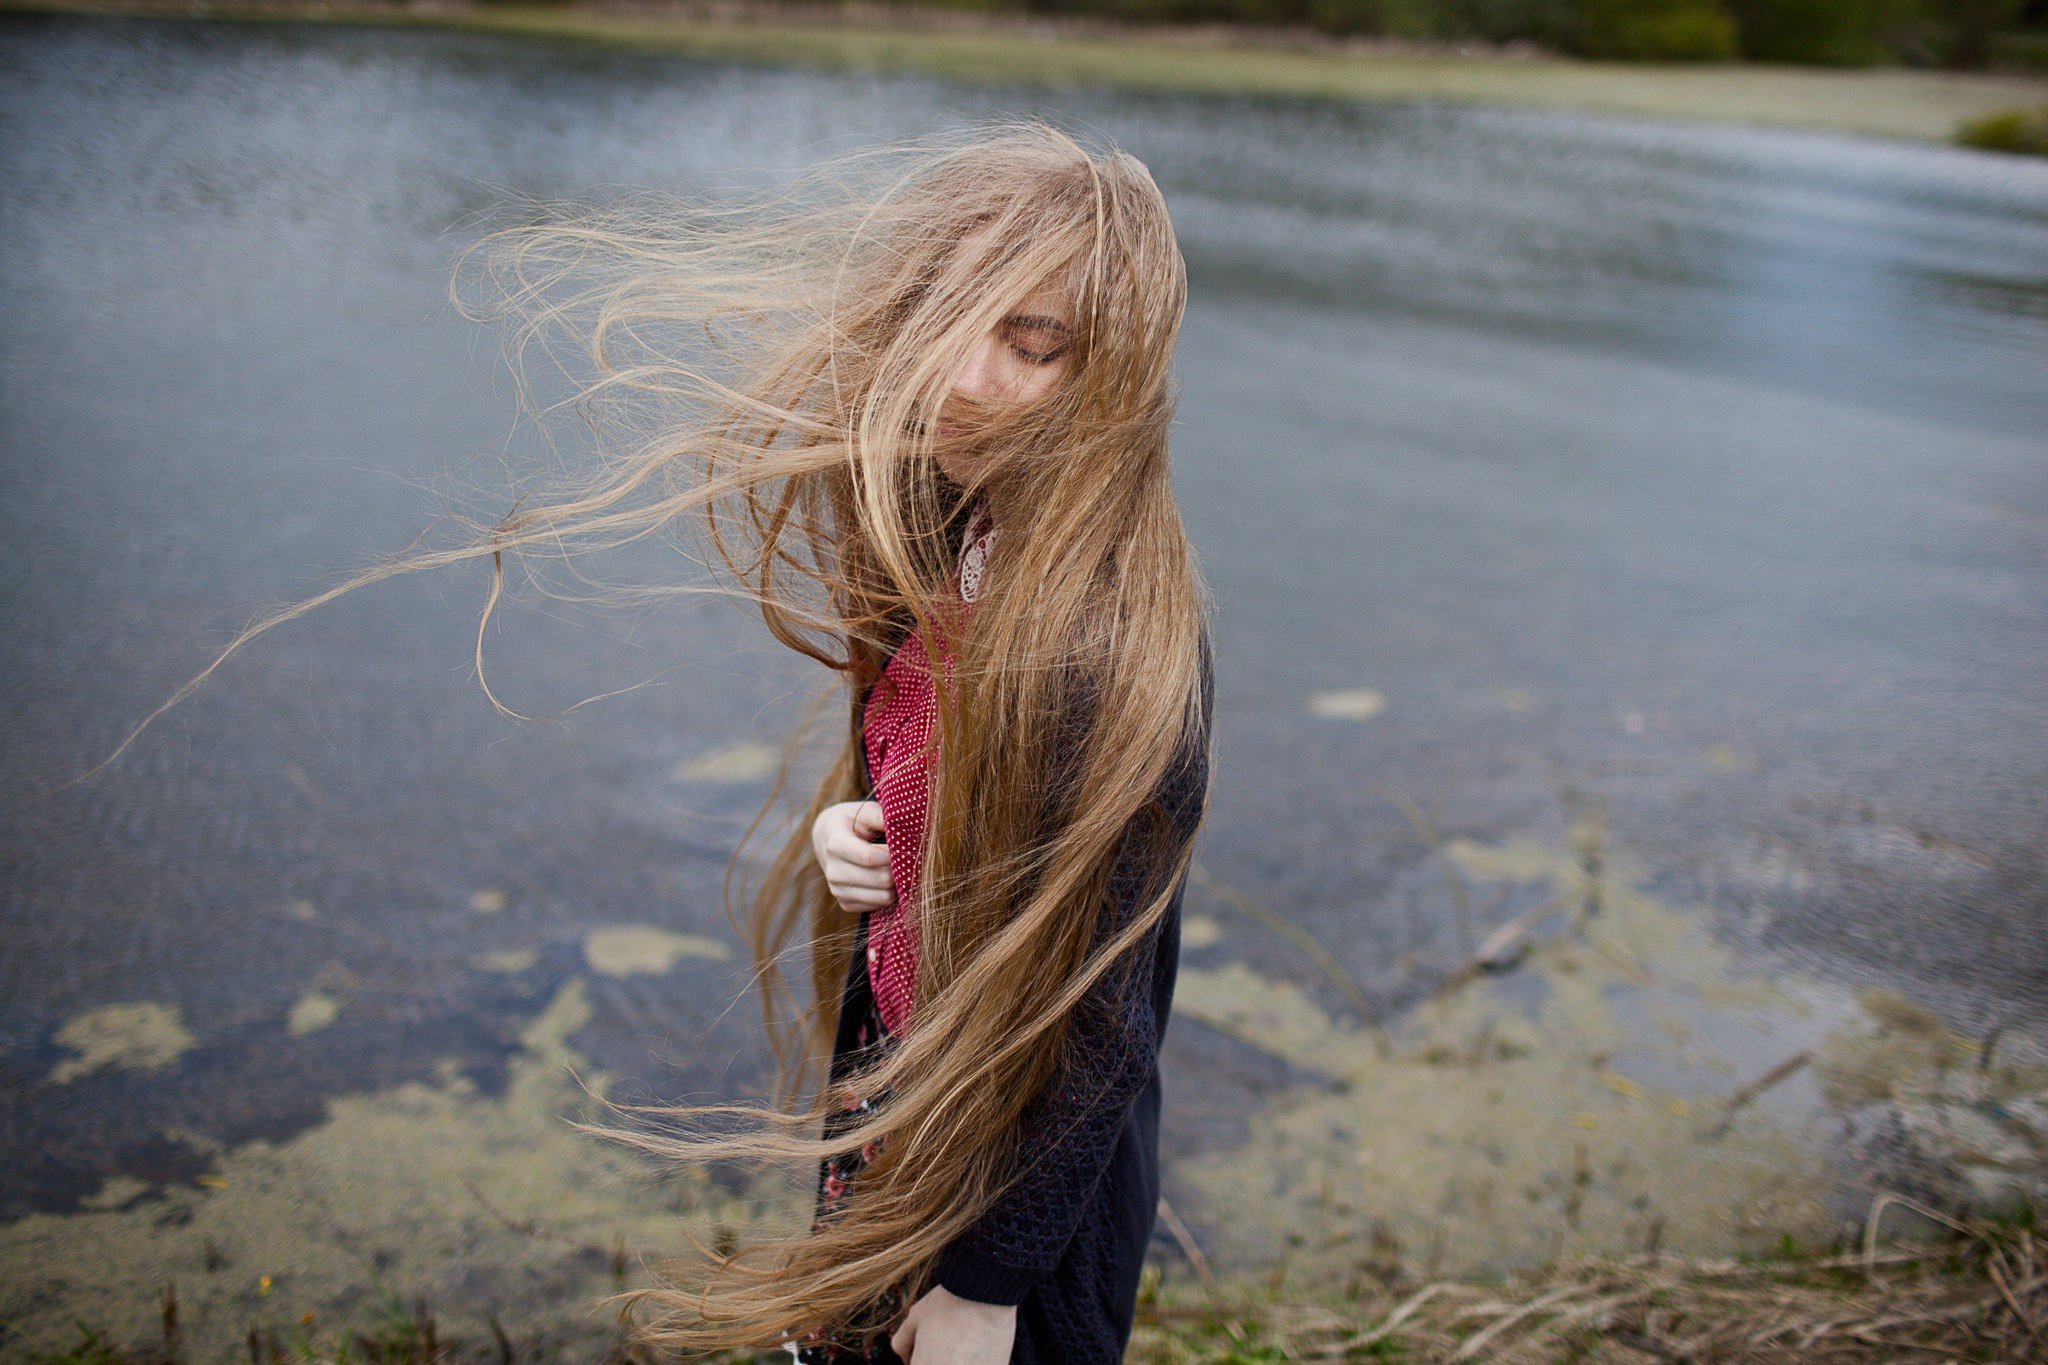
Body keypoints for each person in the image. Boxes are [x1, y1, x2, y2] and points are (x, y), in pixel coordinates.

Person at [96, 117, 1213, 1364]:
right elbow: (970, 777)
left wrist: (986, 1287)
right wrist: (885, 834)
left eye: (1033, 342)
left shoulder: (1110, 644)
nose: (963, 373)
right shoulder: (971, 534)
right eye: (954, 312)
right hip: (903, 1123)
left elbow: (1100, 1020)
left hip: (1008, 1212)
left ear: (1114, 372)